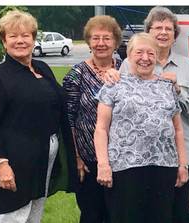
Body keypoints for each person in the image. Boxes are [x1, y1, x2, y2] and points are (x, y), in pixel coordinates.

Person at [0, 10, 74, 222]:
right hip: (14, 159)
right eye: (13, 36)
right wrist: (2, 165)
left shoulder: (42, 68)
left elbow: (59, 102)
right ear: (4, 42)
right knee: (14, 215)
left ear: (33, 39)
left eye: (25, 35)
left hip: (44, 155)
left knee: (34, 214)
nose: (20, 41)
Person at [118, 7, 189, 222]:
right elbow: (118, 108)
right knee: (148, 212)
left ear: (175, 36)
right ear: (149, 32)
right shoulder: (129, 63)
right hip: (141, 157)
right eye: (158, 28)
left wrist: (178, 91)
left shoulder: (188, 66)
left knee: (180, 212)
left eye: (169, 29)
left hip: (182, 152)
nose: (163, 33)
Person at [95, 33, 189, 223]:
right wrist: (103, 165)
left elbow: (178, 129)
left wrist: (183, 165)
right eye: (139, 52)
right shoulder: (114, 84)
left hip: (164, 168)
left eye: (151, 53)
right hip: (124, 168)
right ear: (129, 56)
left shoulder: (167, 86)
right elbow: (101, 129)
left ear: (156, 57)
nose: (145, 58)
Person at [63, 15, 123, 223]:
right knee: (92, 214)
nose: (101, 44)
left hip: (123, 159)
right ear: (88, 42)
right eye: (95, 38)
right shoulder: (76, 74)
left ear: (116, 42)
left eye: (106, 38)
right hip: (88, 160)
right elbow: (68, 118)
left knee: (119, 214)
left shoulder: (128, 69)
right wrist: (76, 157)